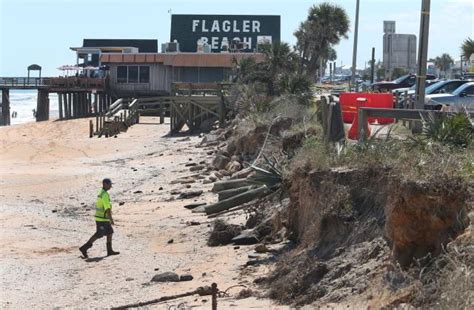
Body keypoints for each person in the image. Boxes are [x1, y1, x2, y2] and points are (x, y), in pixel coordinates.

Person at [79, 178, 120, 258]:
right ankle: (84, 248)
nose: (111, 186)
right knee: (98, 234)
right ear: (105, 184)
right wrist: (111, 219)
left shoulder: (101, 192)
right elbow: (107, 208)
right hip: (101, 219)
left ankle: (110, 251)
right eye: (109, 185)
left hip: (103, 218)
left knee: (110, 232)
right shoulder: (104, 194)